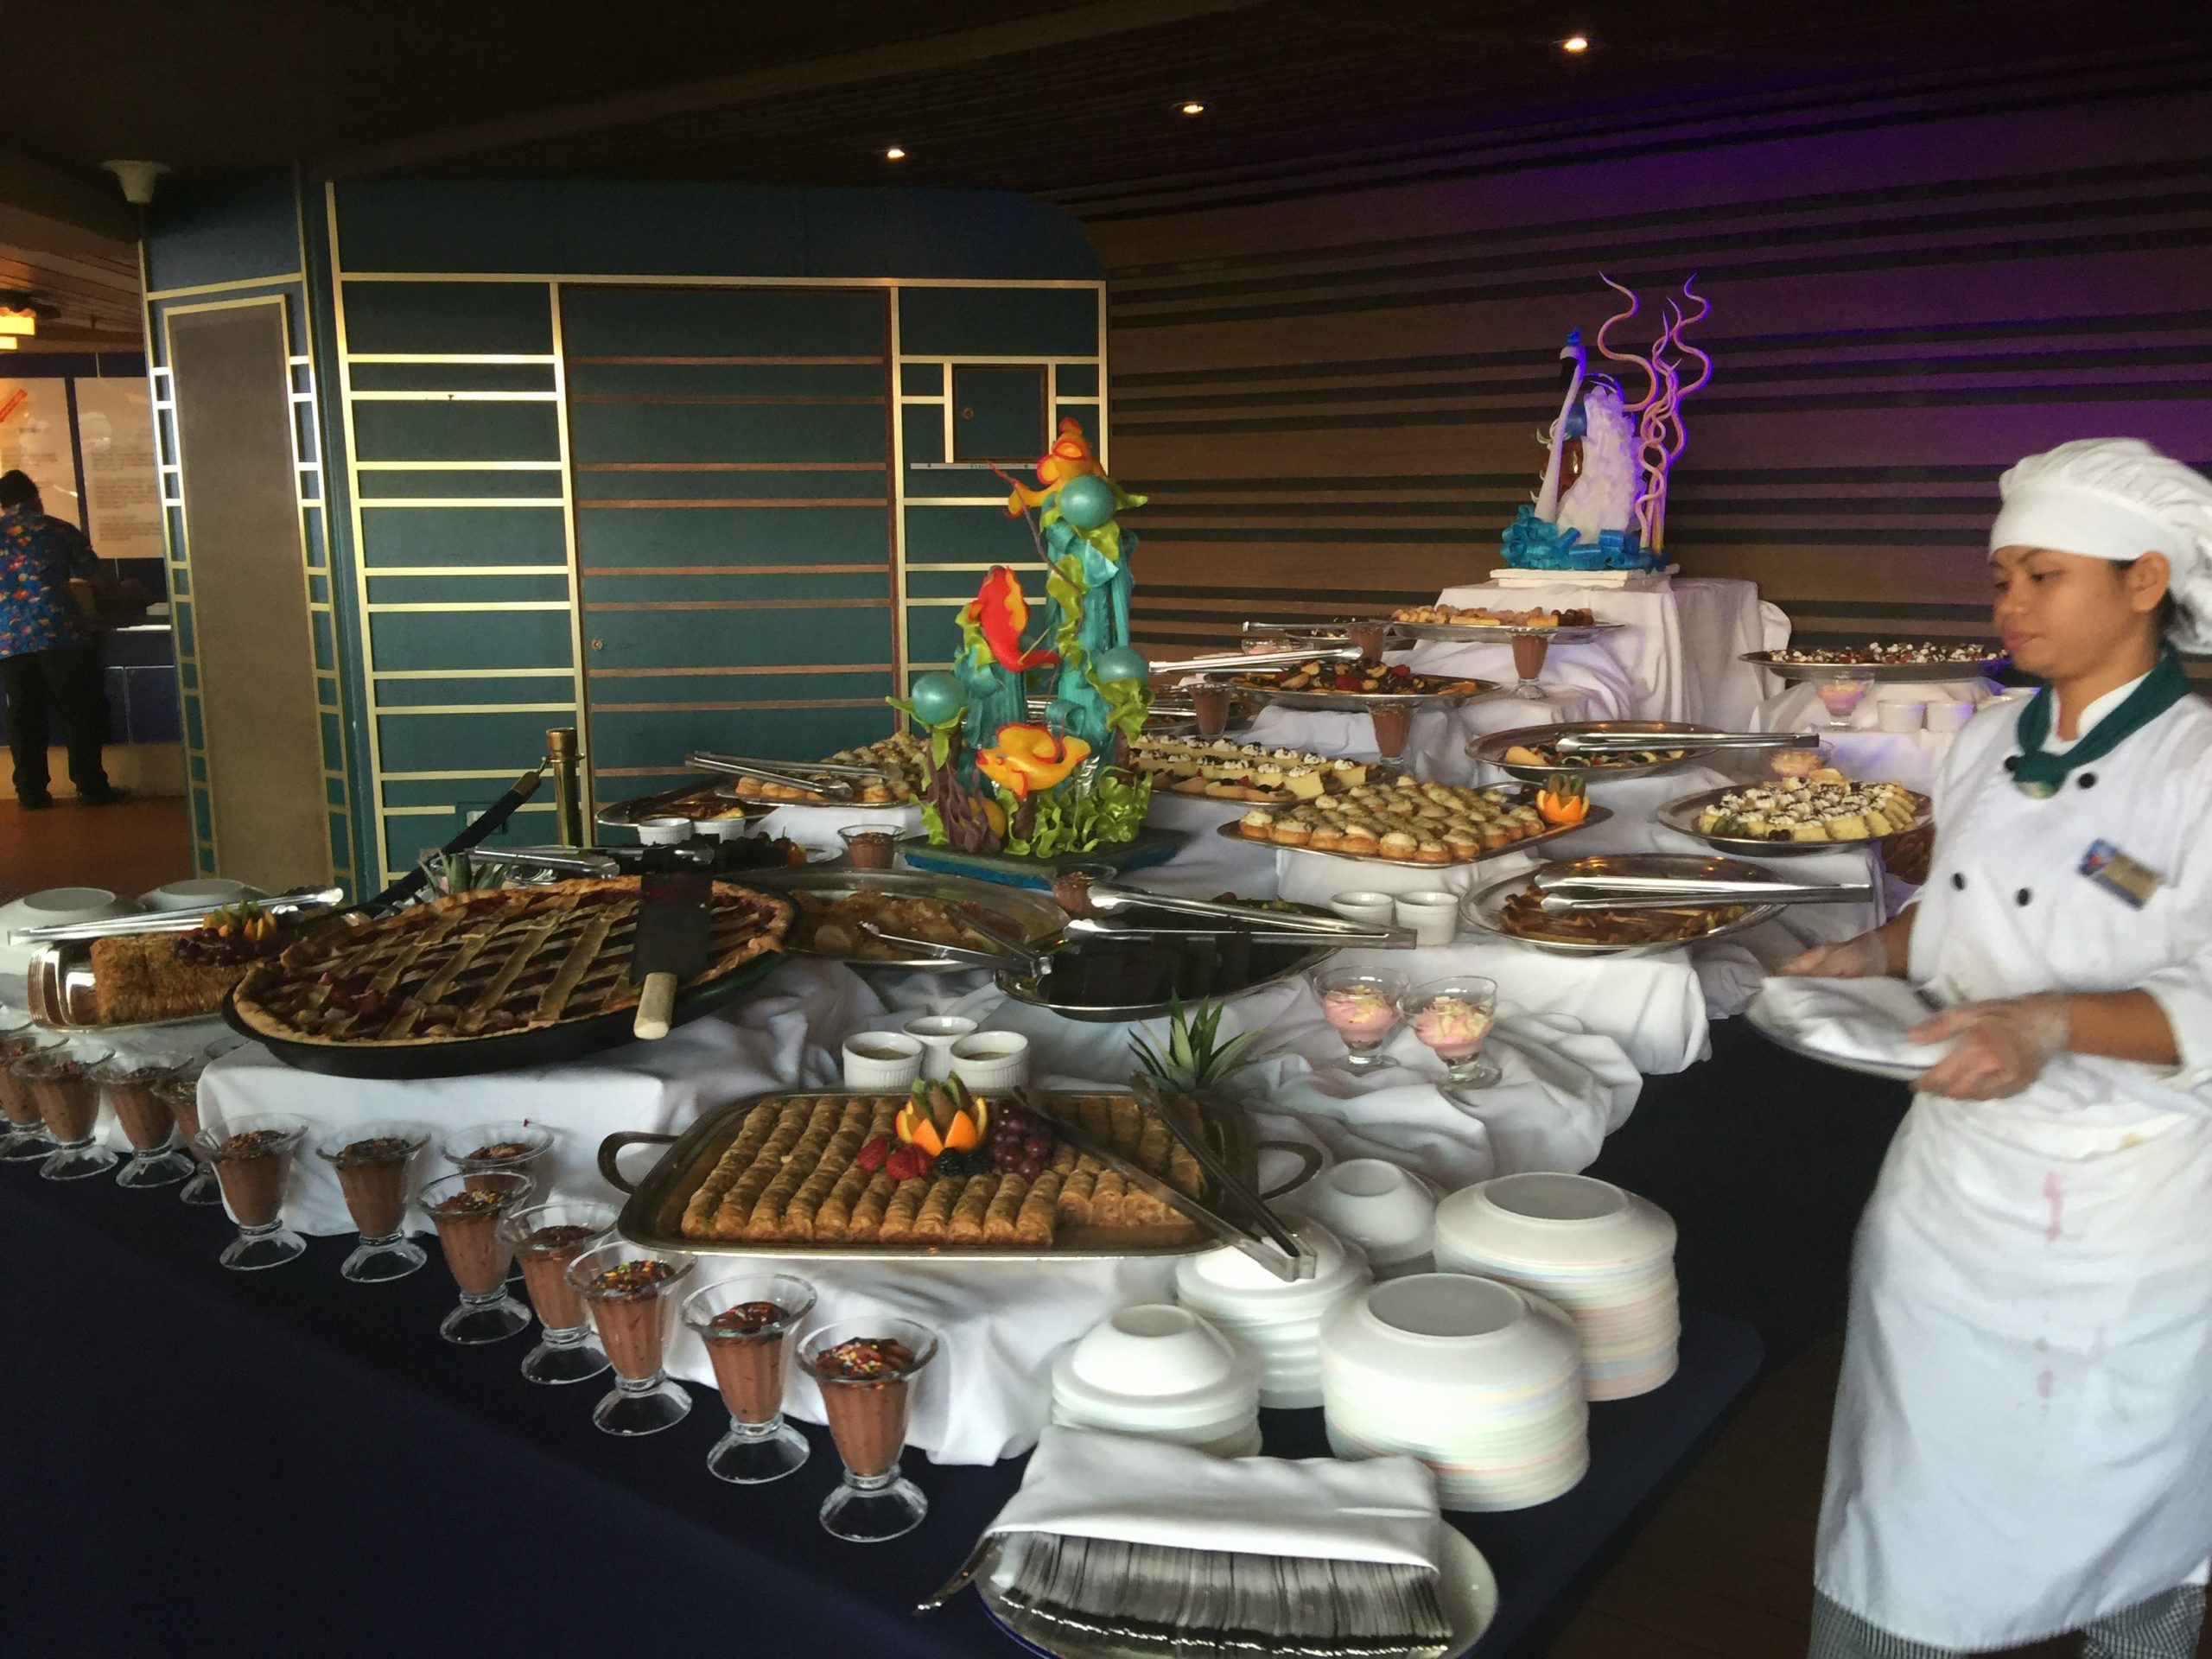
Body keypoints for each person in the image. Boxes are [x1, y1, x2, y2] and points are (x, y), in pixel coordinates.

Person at [1781, 437, 2212, 1658]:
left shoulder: (2199, 765)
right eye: (2000, 577)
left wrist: (2054, 1023)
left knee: (2132, 1518)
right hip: (1953, 1196)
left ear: (2143, 583)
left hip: (2131, 1214)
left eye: (2042, 575)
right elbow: (1972, 900)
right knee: (1905, 1505)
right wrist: (1875, 955)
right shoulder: (1986, 736)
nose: (2008, 604)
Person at [0, 468, 118, 806]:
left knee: (24, 716)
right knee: (77, 712)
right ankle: (91, 787)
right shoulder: (58, 528)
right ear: (35, 498)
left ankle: (31, 792)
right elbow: (95, 579)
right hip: (60, 633)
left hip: (10, 640)